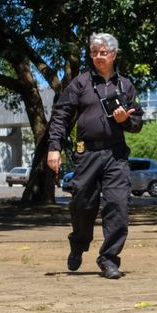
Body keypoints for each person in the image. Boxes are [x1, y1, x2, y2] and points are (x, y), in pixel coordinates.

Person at [46, 32, 143, 279]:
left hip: (116, 154)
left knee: (118, 205)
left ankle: (109, 258)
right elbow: (60, 116)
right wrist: (54, 147)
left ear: (114, 55)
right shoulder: (80, 84)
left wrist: (126, 120)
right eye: (94, 52)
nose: (98, 57)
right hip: (86, 152)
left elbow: (137, 122)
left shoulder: (126, 85)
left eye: (103, 52)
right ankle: (78, 243)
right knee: (82, 204)